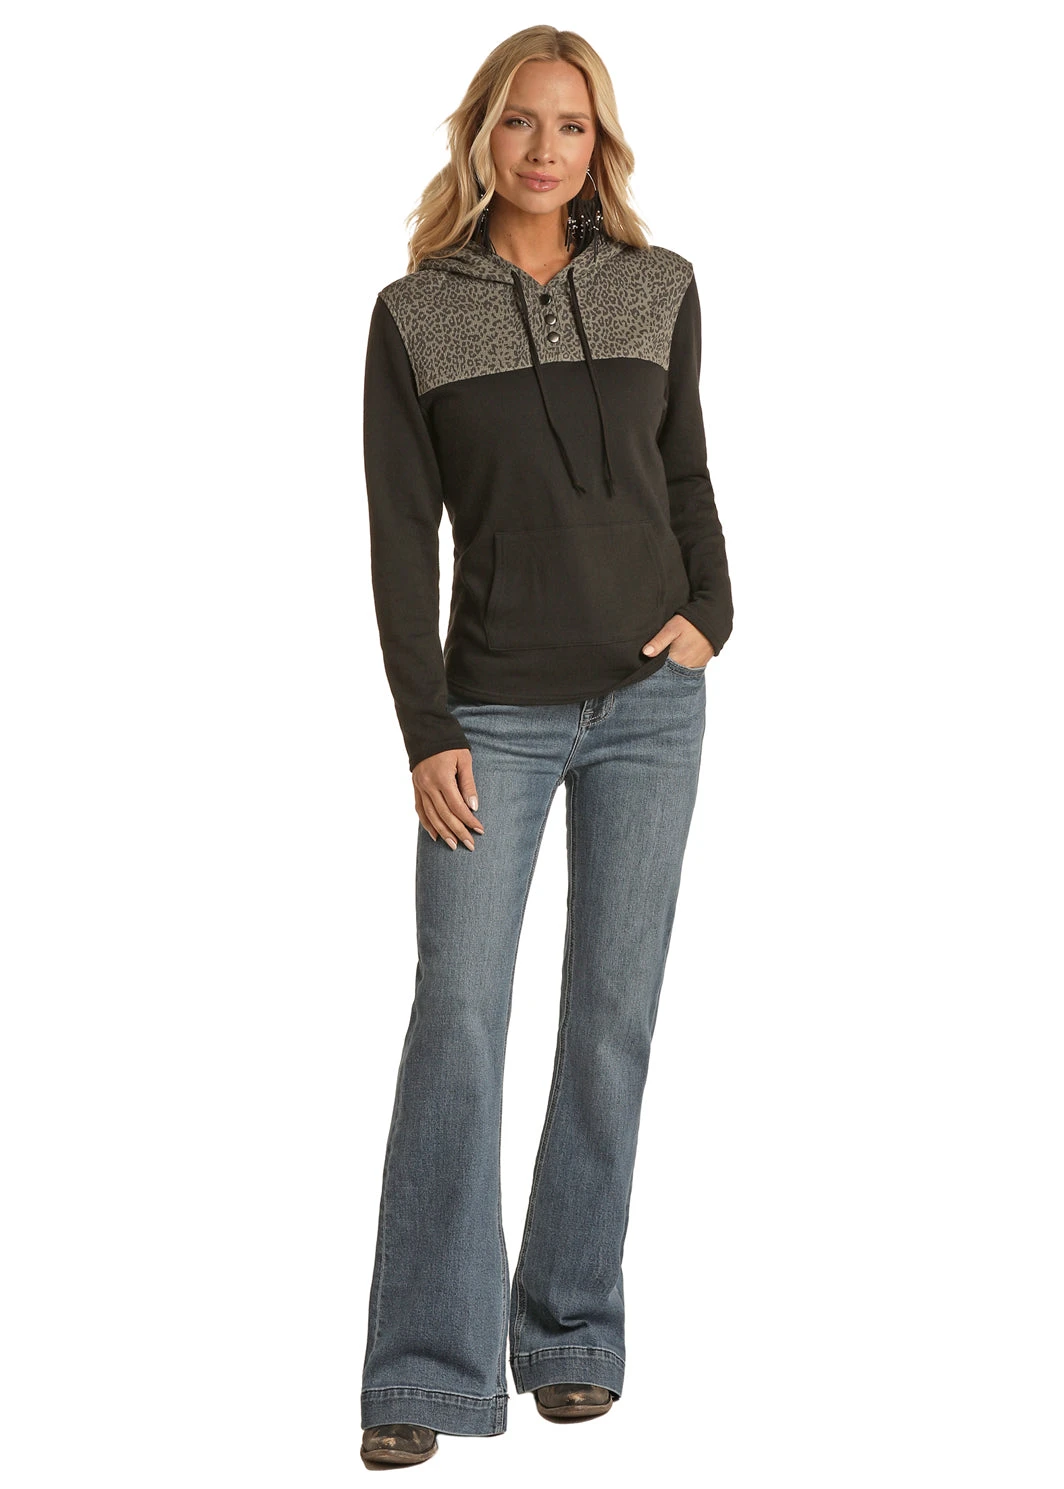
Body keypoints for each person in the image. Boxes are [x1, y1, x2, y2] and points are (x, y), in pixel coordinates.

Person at [359, 24, 733, 1469]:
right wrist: (426, 729)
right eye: (521, 121)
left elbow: (686, 471)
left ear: (599, 146)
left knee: (612, 1018)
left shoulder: (658, 287)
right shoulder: (414, 315)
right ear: (483, 135)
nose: (544, 149)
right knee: (458, 1021)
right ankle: (424, 1366)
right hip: (494, 718)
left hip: (650, 705)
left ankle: (572, 1332)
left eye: (571, 126)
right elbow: (401, 541)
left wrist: (711, 613)